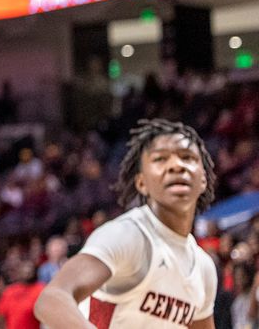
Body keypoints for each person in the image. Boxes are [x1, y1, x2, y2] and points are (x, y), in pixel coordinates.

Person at [35, 118, 219, 328]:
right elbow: (52, 299)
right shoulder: (128, 235)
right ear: (141, 182)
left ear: (203, 179)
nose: (176, 166)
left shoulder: (203, 268)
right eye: (161, 159)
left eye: (187, 157)